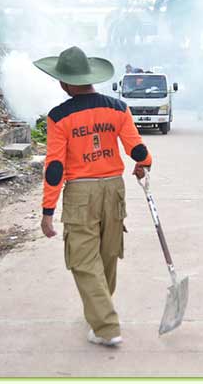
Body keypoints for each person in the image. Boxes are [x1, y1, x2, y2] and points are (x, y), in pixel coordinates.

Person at [34, 47, 152, 347]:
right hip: (114, 187)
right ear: (90, 77)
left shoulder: (59, 116)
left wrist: (48, 210)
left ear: (64, 83)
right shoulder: (118, 108)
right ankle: (99, 311)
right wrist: (143, 165)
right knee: (108, 253)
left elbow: (55, 167)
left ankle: (106, 325)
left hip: (81, 191)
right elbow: (137, 150)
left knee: (84, 259)